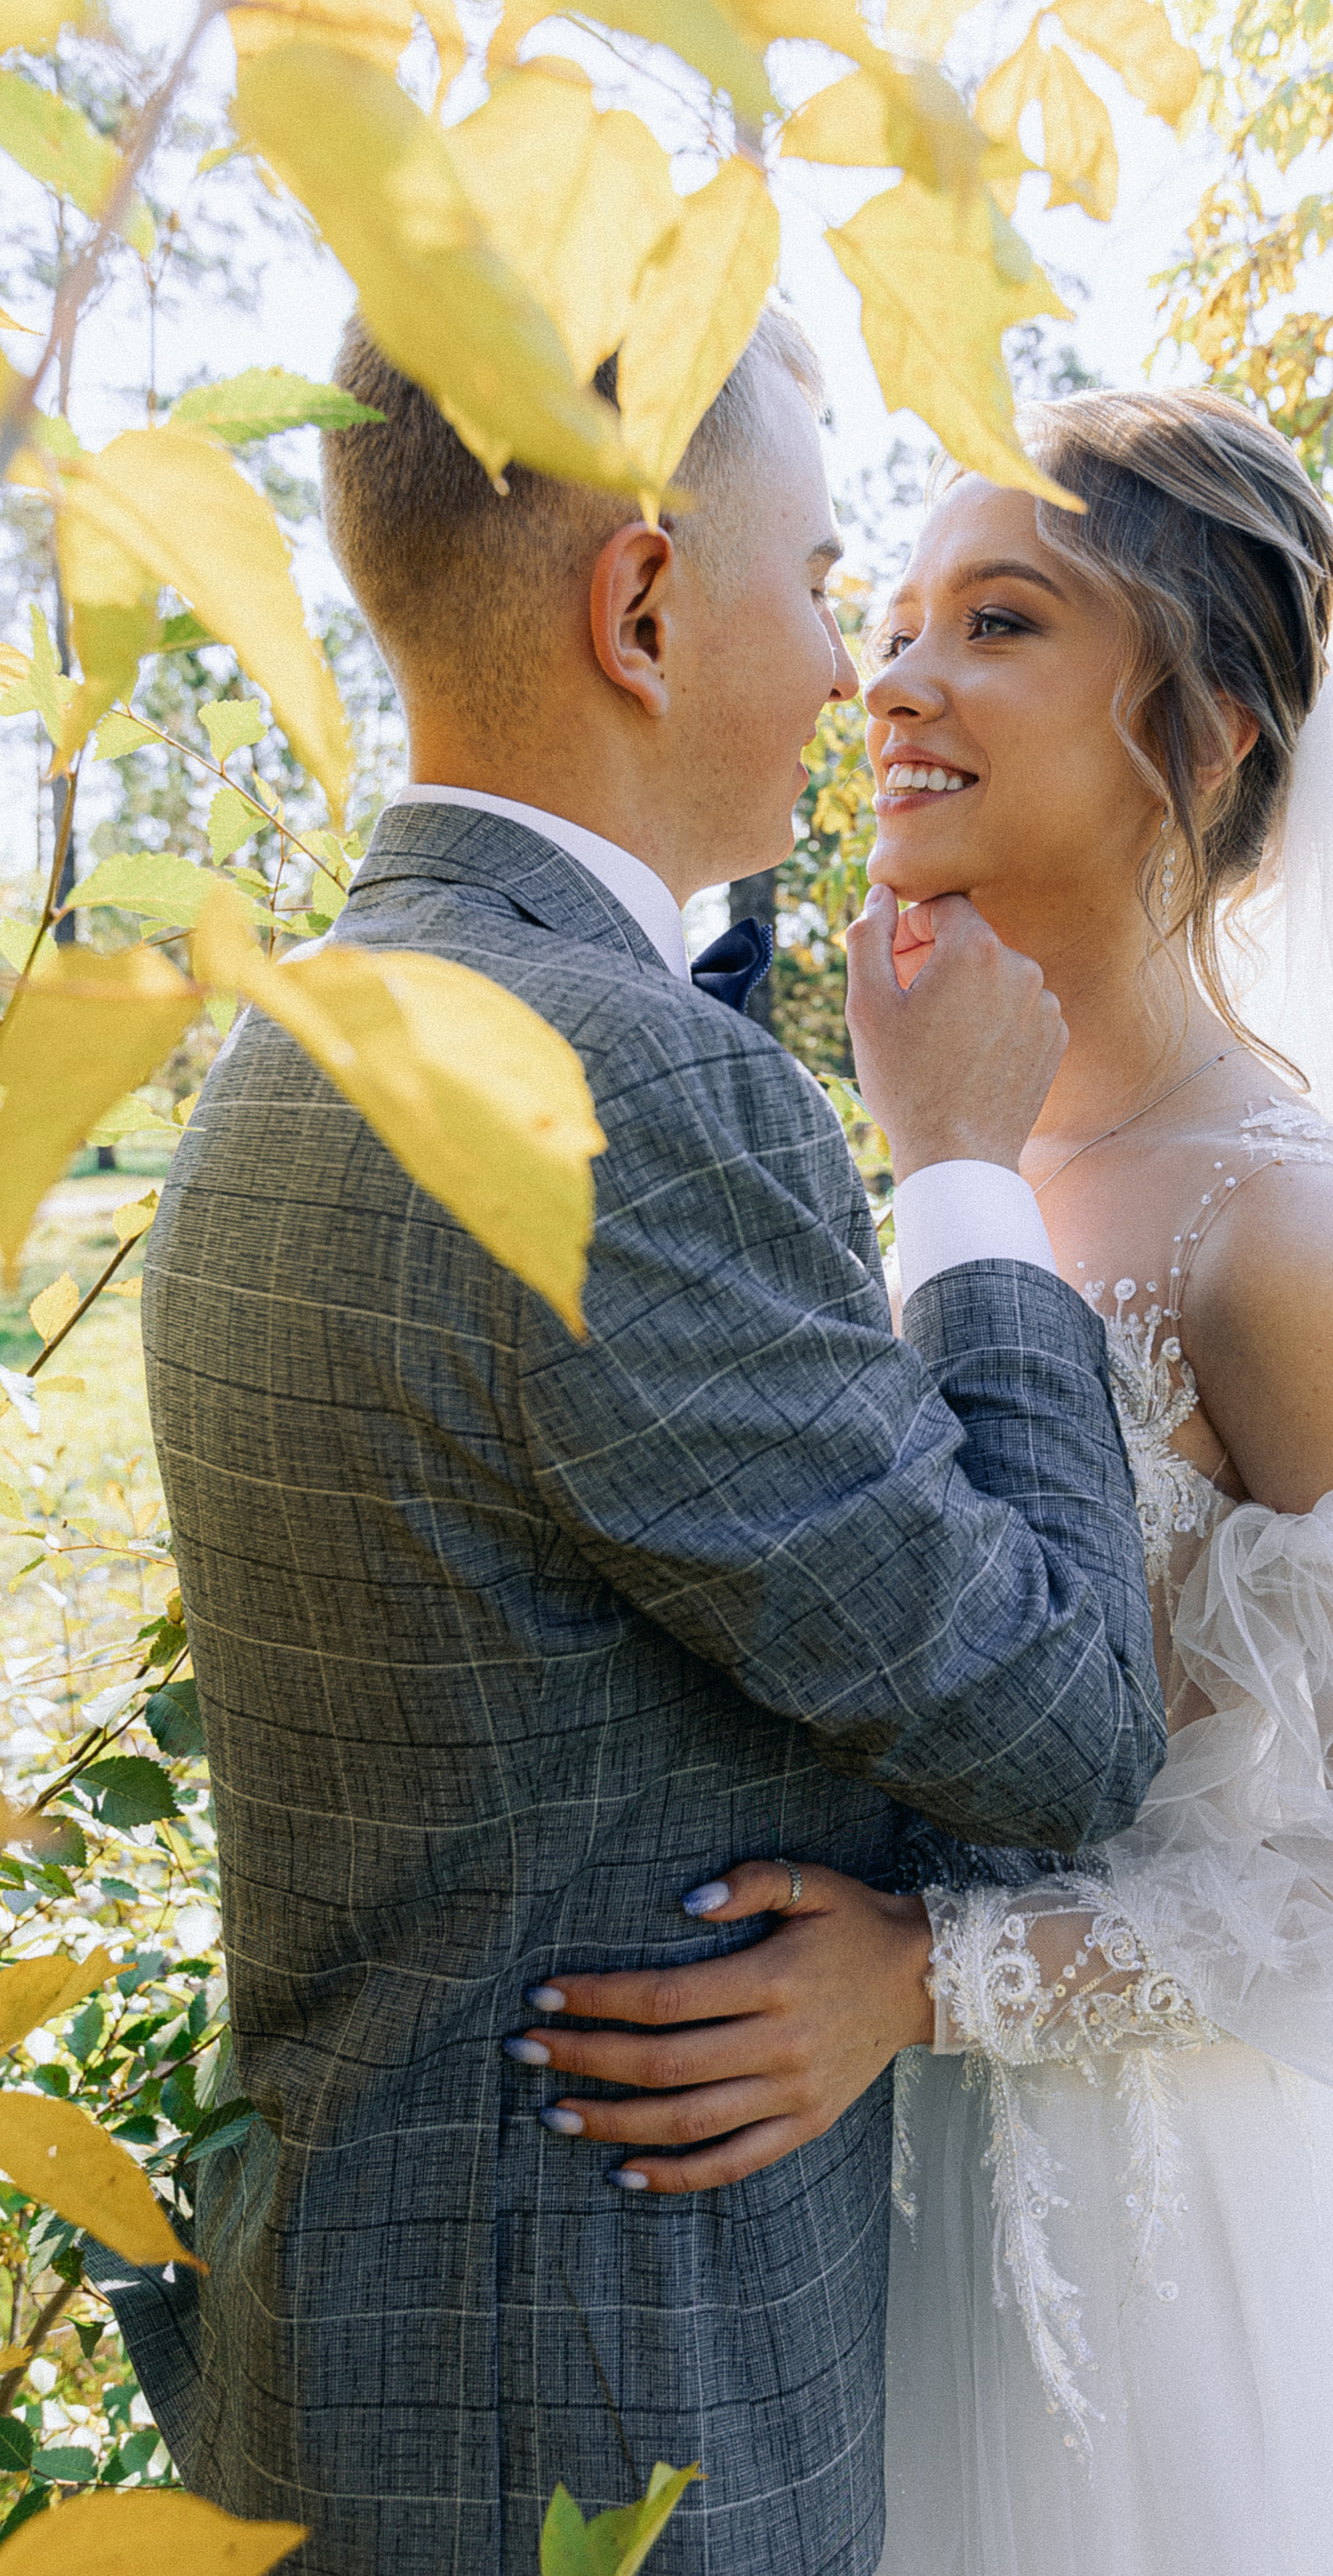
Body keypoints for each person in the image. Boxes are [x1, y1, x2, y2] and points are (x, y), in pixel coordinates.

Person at [553, 389, 1333, 2574]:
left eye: (997, 622)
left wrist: (939, 1981)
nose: (892, 678)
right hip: (850, 2203)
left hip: (1156, 2257)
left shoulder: (1281, 1229)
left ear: (1201, 737)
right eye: (888, 620)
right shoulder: (918, 1142)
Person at [111, 317, 1169, 2575]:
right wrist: (968, 1173)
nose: (842, 678)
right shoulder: (621, 1093)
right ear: (646, 608)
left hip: (361, 2372)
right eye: (816, 584)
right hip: (595, 2428)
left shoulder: (297, 1045)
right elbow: (1066, 1724)